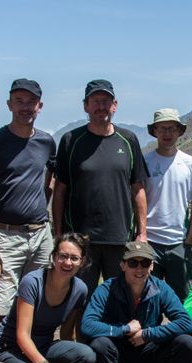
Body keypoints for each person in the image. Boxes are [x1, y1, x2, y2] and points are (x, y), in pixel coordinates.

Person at [81, 241, 192, 363]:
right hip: (117, 355)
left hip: (148, 352)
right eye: (133, 263)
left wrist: (147, 334)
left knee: (186, 342)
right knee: (99, 343)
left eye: (145, 263)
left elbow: (186, 323)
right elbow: (87, 325)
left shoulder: (161, 288)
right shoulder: (107, 288)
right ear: (123, 265)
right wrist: (124, 329)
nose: (139, 268)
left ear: (152, 266)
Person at [52, 79, 149, 293]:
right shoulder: (70, 140)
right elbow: (60, 190)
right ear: (85, 106)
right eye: (95, 101)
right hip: (80, 240)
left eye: (106, 101)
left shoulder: (128, 140)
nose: (101, 106)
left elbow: (138, 188)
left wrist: (142, 233)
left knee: (119, 297)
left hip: (120, 237)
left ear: (115, 105)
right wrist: (58, 233)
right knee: (79, 298)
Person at [0, 79, 56, 325]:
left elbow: (52, 175)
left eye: (31, 102)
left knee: (37, 297)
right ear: (9, 104)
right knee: (1, 301)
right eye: (19, 101)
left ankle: (29, 346)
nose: (25, 107)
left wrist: (43, 200)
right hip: (6, 235)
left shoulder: (46, 141)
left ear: (40, 106)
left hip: (41, 234)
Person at [0, 233, 96, 363]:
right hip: (10, 347)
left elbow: (66, 333)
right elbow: (22, 335)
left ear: (82, 261)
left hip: (43, 345)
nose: (68, 262)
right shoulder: (32, 282)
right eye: (63, 256)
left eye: (74, 258)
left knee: (86, 355)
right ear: (54, 257)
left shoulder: (80, 289)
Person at [144, 108, 192, 300]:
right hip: (150, 241)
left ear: (179, 131)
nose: (167, 133)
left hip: (178, 242)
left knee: (183, 298)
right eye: (162, 128)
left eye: (171, 128)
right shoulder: (144, 162)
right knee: (148, 297)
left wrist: (188, 241)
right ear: (154, 131)